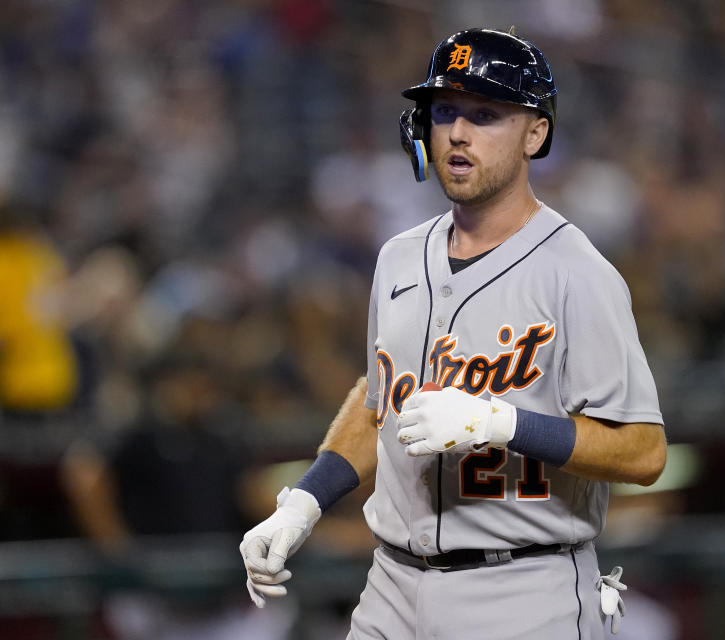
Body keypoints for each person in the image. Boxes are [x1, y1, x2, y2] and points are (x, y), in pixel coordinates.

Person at [239, 27, 667, 640]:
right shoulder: (397, 258)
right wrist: (305, 501)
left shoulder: (577, 273)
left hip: (522, 590)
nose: (458, 134)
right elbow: (380, 400)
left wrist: (500, 423)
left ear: (535, 133)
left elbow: (645, 451)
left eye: (486, 114)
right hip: (390, 584)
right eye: (445, 112)